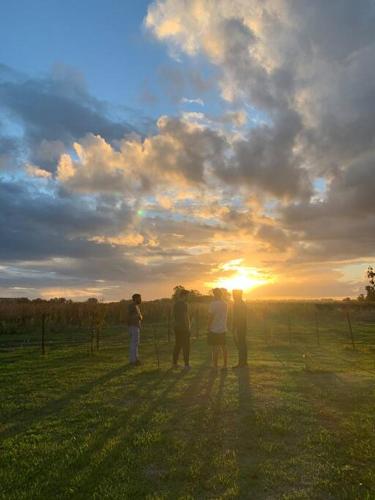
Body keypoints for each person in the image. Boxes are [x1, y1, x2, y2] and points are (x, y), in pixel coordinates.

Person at [208, 288, 228, 371]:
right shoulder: (225, 304)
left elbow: (211, 317)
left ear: (214, 294)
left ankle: (215, 366)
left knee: (215, 348)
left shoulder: (213, 304)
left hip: (214, 329)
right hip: (223, 328)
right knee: (224, 347)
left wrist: (208, 326)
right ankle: (225, 365)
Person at [172, 289, 191, 369]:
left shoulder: (175, 304)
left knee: (177, 345)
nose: (188, 297)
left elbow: (174, 316)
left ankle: (174, 363)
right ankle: (186, 365)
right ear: (184, 295)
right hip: (184, 328)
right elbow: (185, 317)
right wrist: (188, 327)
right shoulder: (184, 304)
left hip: (177, 327)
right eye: (187, 296)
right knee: (186, 346)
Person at [232, 289, 248, 368]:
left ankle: (241, 362)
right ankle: (243, 362)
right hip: (242, 325)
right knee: (242, 343)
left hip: (240, 326)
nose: (233, 296)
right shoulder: (242, 303)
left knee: (241, 344)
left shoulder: (238, 304)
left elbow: (237, 317)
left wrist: (234, 326)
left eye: (234, 294)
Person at [127, 293, 143, 366]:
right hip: (133, 326)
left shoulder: (136, 306)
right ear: (135, 298)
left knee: (135, 343)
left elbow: (140, 316)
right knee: (134, 344)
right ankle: (133, 360)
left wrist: (139, 316)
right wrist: (138, 316)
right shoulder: (132, 306)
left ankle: (135, 359)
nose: (140, 300)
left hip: (135, 326)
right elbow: (129, 316)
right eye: (139, 298)